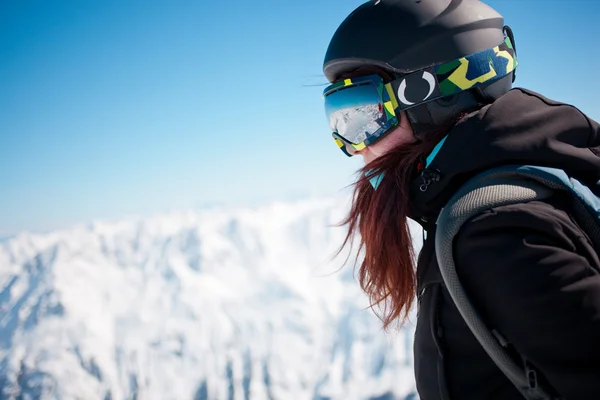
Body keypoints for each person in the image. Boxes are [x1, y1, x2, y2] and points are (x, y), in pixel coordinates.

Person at [321, 0, 600, 399]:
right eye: (340, 121)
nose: (354, 146)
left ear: (430, 95)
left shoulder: (496, 234)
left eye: (365, 115)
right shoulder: (536, 183)